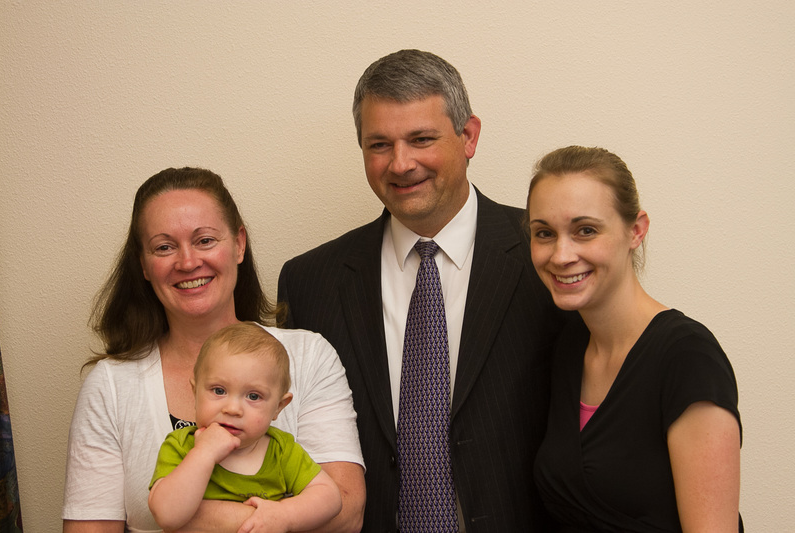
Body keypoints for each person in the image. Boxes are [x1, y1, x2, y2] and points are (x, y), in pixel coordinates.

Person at [277, 49, 564, 531]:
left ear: (469, 136)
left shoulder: (547, 258)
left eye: (422, 139)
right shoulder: (310, 281)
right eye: (379, 145)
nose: (401, 163)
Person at [63, 167, 365, 533]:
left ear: (239, 244)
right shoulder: (110, 385)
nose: (188, 262)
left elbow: (345, 513)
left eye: (205, 240)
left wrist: (195, 519)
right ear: (143, 264)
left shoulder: (308, 356)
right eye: (164, 247)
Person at [525, 146, 742, 532]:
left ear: (635, 230)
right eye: (544, 233)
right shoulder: (570, 344)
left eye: (585, 230)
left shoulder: (688, 358)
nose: (561, 254)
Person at [148, 322, 342, 532]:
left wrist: (286, 515)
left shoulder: (281, 451)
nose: (232, 409)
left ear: (278, 407)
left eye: (253, 396)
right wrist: (204, 453)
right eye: (219, 391)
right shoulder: (181, 446)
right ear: (194, 393)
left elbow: (330, 496)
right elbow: (166, 515)